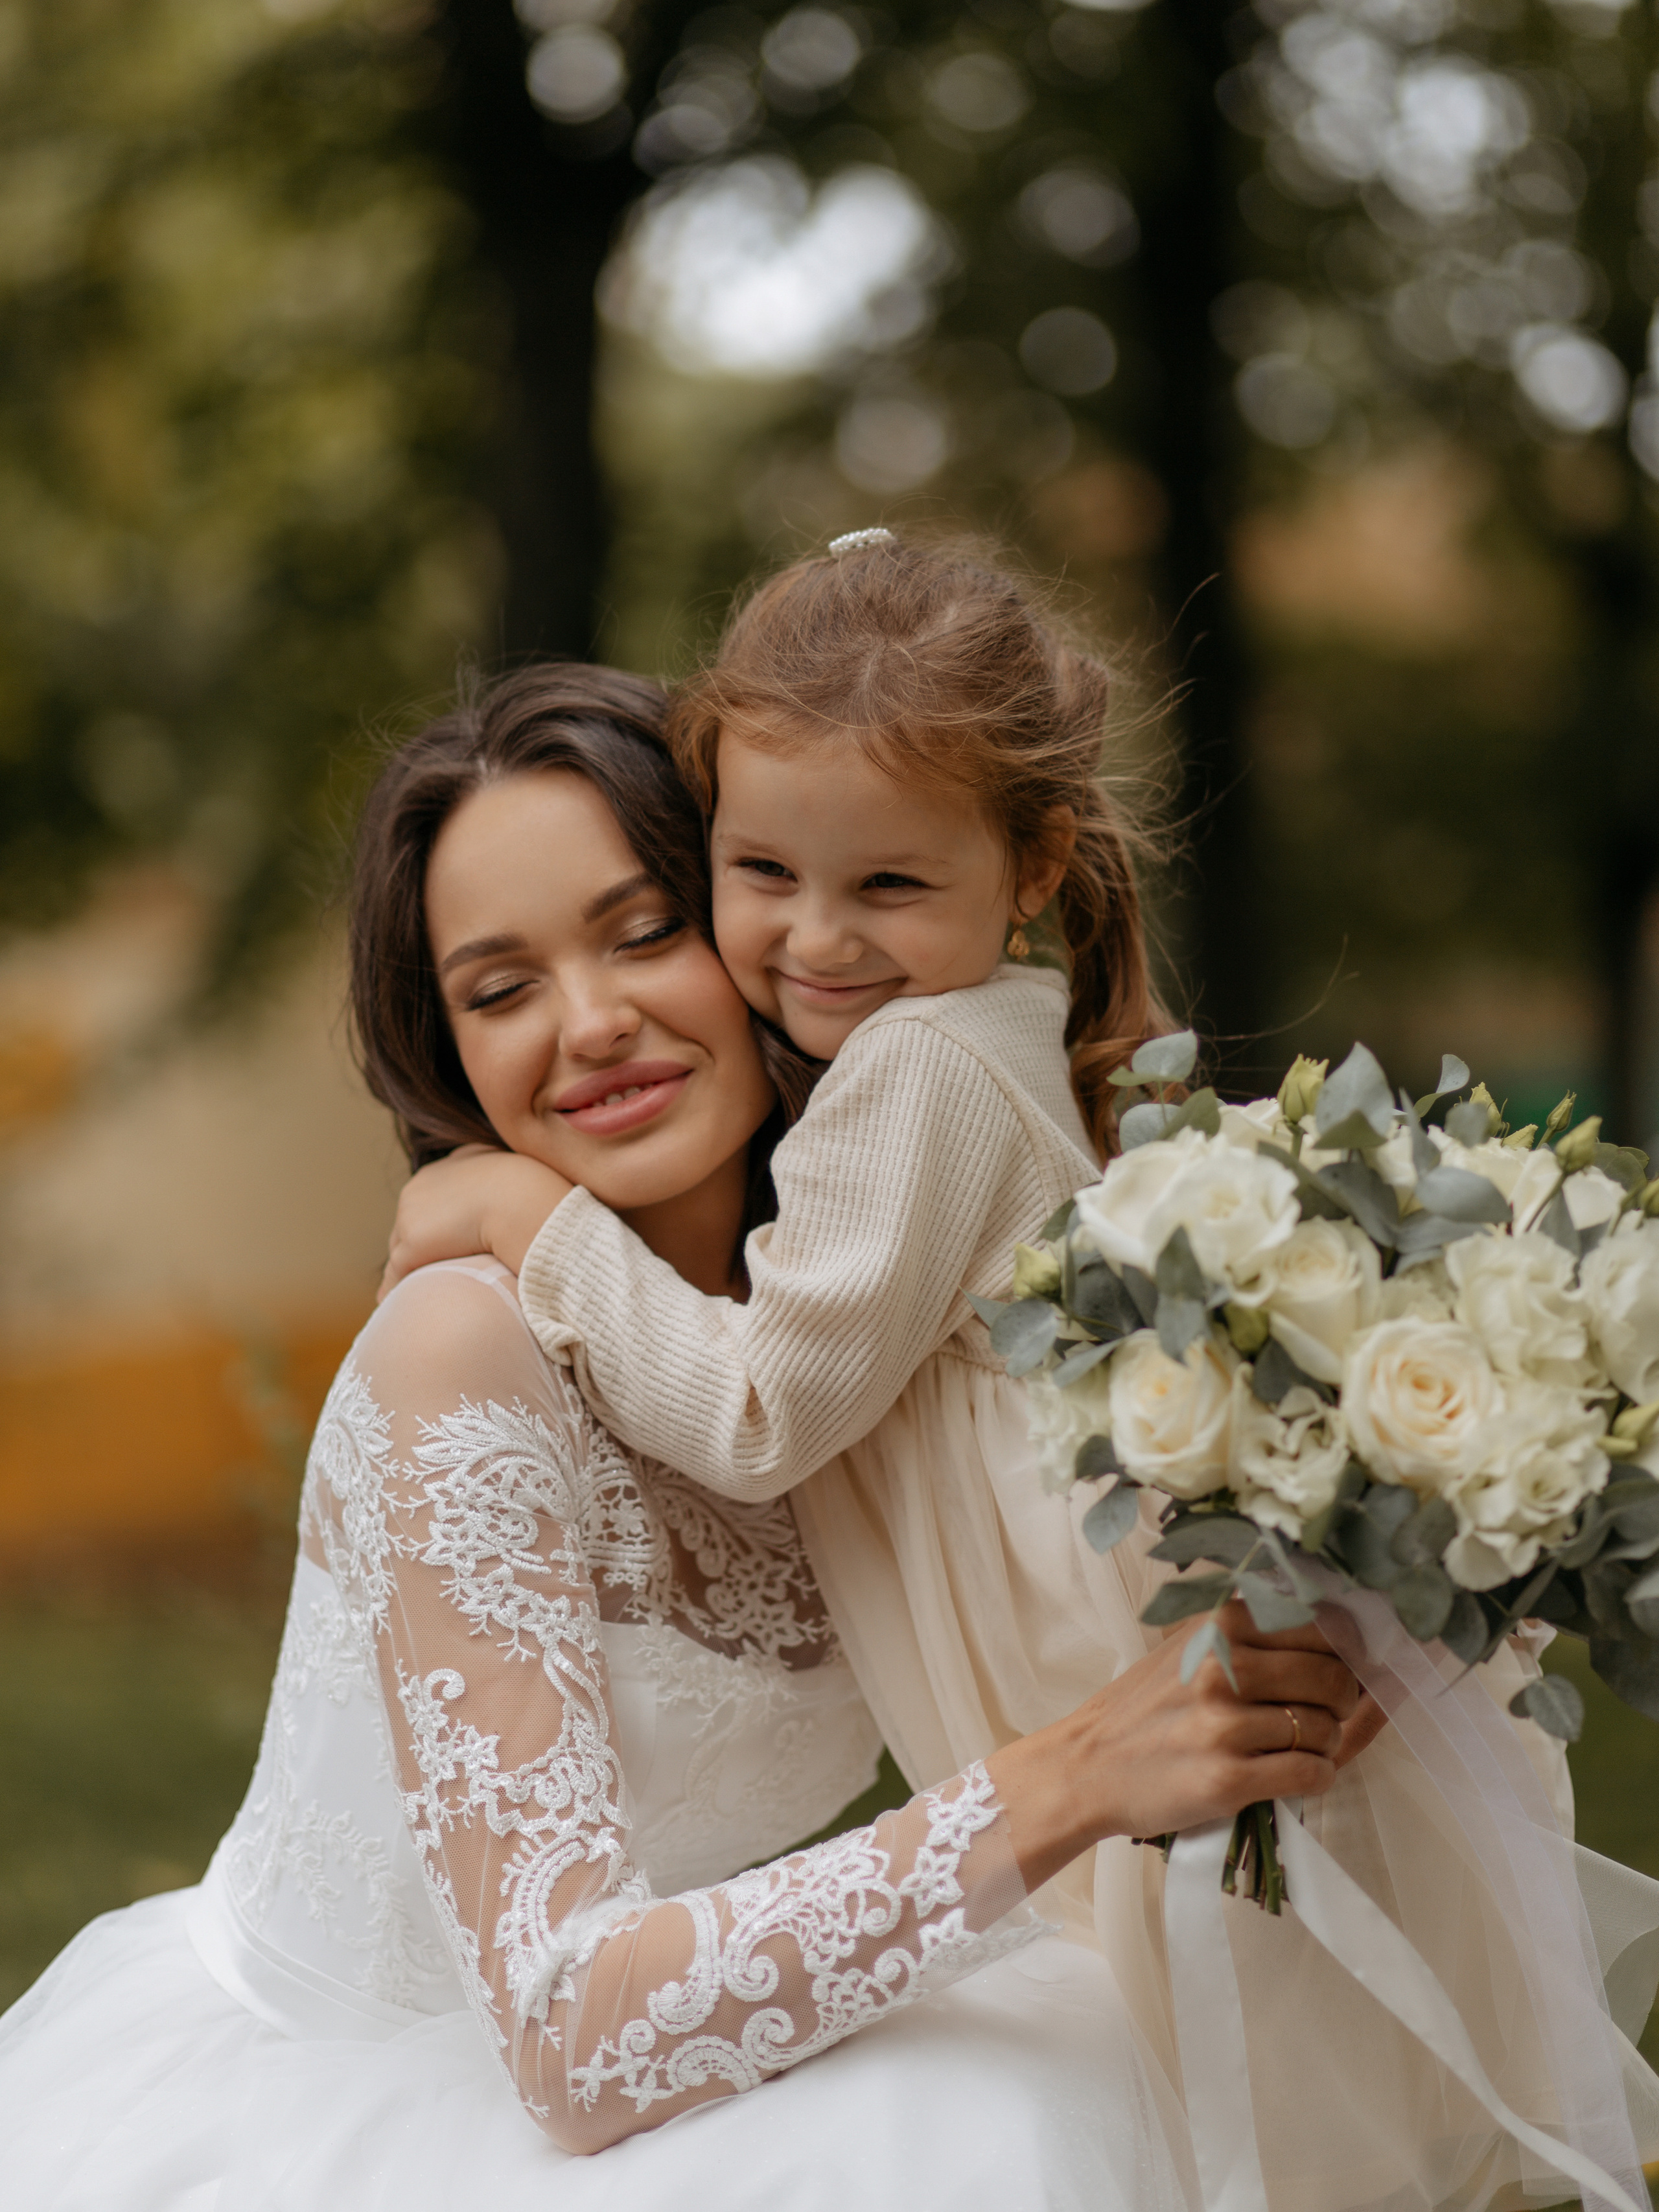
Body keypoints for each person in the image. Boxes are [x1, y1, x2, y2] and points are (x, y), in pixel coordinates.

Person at [384, 541, 1659, 2212]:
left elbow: (755, 1413)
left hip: (1079, 1670)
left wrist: (520, 1211)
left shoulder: (912, 1070)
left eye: (888, 889)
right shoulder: (962, 1042)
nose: (815, 941)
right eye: (761, 872)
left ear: (1032, 863)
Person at [0, 663, 1373, 2212]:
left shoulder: (861, 1326)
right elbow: (575, 2036)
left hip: (698, 2048)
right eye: (499, 988)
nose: (590, 1026)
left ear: (755, 925)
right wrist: (1071, 1778)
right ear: (446, 1052)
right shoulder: (465, 1352)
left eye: (644, 929)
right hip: (396, 2112)